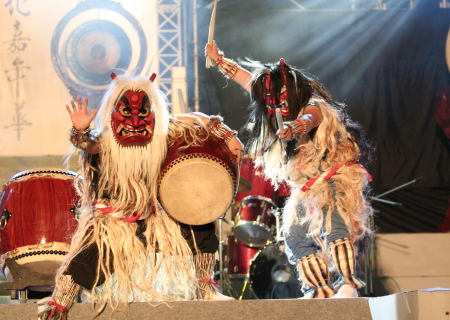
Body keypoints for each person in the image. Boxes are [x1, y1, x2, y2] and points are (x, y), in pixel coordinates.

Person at [38, 72, 243, 319]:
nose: (135, 122)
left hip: (154, 220)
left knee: (200, 225)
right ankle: (58, 305)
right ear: (114, 112)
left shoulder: (163, 133)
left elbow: (198, 120)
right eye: (126, 114)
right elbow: (87, 143)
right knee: (85, 260)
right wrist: (80, 132)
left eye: (142, 114)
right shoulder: (104, 141)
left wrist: (230, 137)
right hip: (113, 227)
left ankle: (205, 289)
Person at [205, 41, 374, 298]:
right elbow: (249, 81)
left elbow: (310, 118)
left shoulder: (314, 104)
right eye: (271, 102)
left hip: (333, 177)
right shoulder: (271, 103)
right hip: (306, 186)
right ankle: (320, 289)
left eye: (280, 101)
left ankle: (349, 285)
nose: (274, 108)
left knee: (335, 225)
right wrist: (219, 61)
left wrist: (296, 127)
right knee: (295, 235)